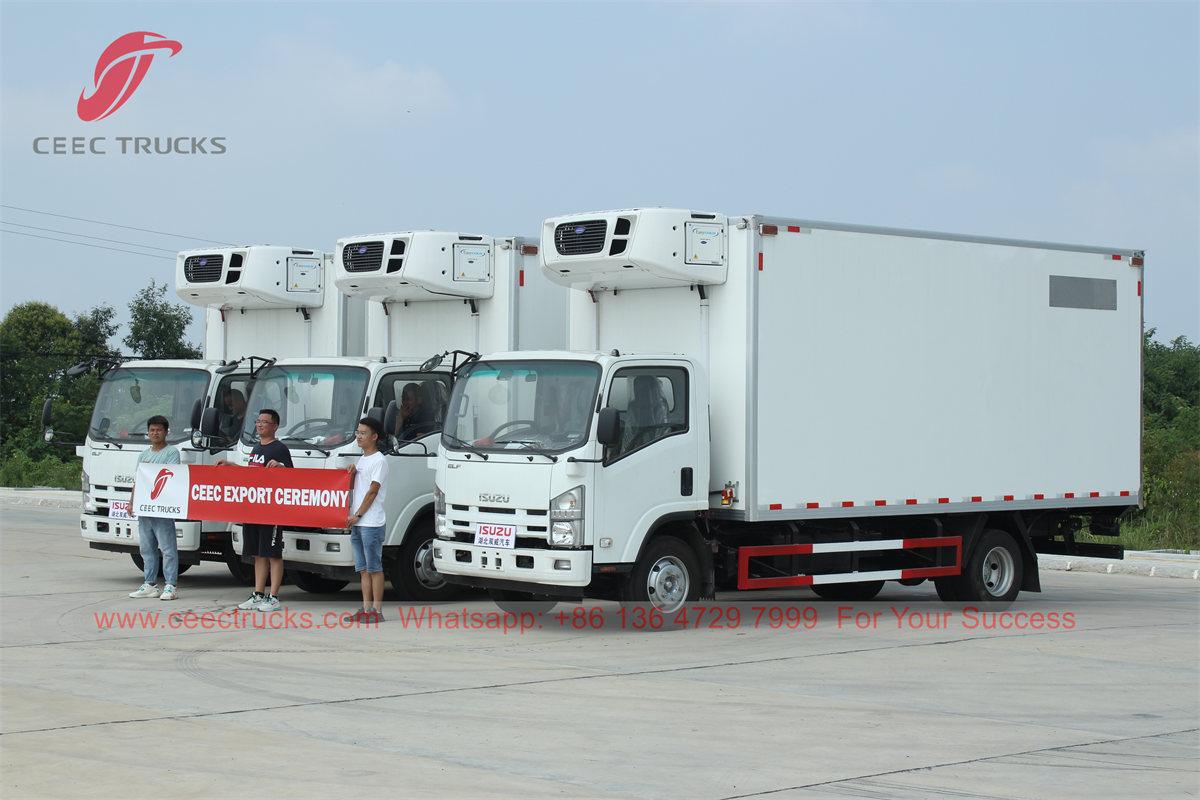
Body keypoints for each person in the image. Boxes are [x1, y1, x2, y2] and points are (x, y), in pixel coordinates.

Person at [218, 408, 293, 612]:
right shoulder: (256, 449)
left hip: (272, 511)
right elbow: (252, 475)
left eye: (265, 422)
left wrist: (281, 468)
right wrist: (232, 466)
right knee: (258, 554)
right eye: (258, 421)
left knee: (273, 554)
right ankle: (258, 593)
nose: (260, 425)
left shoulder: (280, 449)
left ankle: (274, 596)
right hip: (254, 510)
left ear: (275, 426)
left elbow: (292, 478)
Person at [128, 415, 182, 601]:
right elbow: (138, 480)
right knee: (146, 548)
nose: (155, 433)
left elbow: (171, 476)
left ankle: (170, 585)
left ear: (166, 432)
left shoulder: (172, 452)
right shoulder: (143, 455)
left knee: (167, 549)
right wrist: (131, 502)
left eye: (159, 430)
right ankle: (150, 584)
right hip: (144, 508)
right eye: (152, 430)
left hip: (162, 508)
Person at [343, 416, 390, 623]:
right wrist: (351, 472)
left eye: (363, 433)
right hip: (359, 523)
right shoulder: (363, 459)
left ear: (374, 436)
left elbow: (372, 491)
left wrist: (358, 514)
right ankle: (365, 608)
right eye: (358, 433)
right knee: (362, 569)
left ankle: (377, 611)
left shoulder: (379, 460)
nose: (359, 437)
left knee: (374, 568)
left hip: (371, 522)